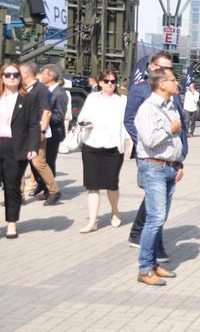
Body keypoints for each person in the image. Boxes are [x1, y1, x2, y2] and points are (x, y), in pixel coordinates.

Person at [125, 52, 188, 263]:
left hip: (170, 159)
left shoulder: (172, 94)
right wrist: (143, 146)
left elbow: (181, 125)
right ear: (152, 67)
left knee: (156, 205)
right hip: (151, 157)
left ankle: (141, 238)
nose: (169, 73)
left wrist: (181, 156)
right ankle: (150, 255)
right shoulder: (141, 91)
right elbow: (130, 121)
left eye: (170, 68)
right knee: (156, 210)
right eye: (164, 68)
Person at [135, 67, 184, 286]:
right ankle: (144, 269)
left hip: (169, 168)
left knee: (160, 218)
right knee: (155, 218)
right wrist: (170, 129)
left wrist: (179, 162)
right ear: (161, 84)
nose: (177, 84)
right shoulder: (148, 109)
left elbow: (176, 138)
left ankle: (153, 264)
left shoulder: (171, 106)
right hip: (153, 167)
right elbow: (149, 140)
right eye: (173, 80)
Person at [77, 69, 128, 233]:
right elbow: (81, 118)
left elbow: (127, 123)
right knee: (93, 185)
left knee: (112, 184)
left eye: (113, 81)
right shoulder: (92, 98)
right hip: (92, 145)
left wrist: (130, 142)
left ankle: (115, 211)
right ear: (100, 82)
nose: (110, 84)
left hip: (113, 147)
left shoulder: (122, 101)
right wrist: (86, 122)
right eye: (107, 81)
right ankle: (93, 221)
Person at [0, 63, 40, 238]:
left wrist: (33, 147)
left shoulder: (28, 99)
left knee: (11, 187)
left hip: (16, 148)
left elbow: (33, 125)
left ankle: (11, 224)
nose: (11, 78)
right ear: (2, 77)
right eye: (7, 75)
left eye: (15, 75)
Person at [19, 62, 60, 204]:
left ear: (26, 74)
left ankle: (54, 191)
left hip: (36, 132)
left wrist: (42, 130)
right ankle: (18, 195)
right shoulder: (25, 88)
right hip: (22, 132)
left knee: (38, 163)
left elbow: (47, 112)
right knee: (18, 163)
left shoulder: (41, 90)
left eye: (19, 73)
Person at [39, 64, 68, 205]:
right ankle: (43, 186)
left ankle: (50, 192)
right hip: (44, 132)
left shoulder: (59, 93)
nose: (41, 76)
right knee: (39, 162)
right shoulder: (46, 90)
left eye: (43, 74)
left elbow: (59, 116)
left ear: (50, 77)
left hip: (54, 133)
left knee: (49, 162)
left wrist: (43, 117)